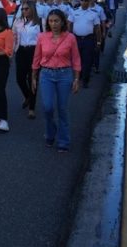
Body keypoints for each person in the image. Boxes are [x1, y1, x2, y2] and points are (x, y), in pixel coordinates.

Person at [32, 9, 81, 152]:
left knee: (62, 109)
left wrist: (77, 78)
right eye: (51, 21)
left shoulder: (70, 38)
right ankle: (50, 131)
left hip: (64, 74)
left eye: (56, 21)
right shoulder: (42, 37)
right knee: (47, 107)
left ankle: (63, 141)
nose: (53, 24)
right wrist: (34, 77)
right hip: (46, 74)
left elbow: (76, 59)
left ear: (62, 22)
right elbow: (37, 57)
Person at [13, 1, 42, 119]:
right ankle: (28, 97)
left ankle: (32, 108)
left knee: (32, 79)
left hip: (34, 51)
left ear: (32, 9)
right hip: (21, 51)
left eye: (26, 9)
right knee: (19, 78)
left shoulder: (40, 23)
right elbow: (14, 36)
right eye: (22, 9)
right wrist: (12, 51)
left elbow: (44, 38)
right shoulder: (18, 22)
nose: (24, 11)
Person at [68, 0, 100, 88]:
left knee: (87, 60)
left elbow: (97, 28)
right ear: (80, 1)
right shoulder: (74, 12)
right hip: (76, 39)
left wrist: (98, 41)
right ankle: (79, 76)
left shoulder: (93, 14)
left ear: (89, 2)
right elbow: (69, 24)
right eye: (82, 0)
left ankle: (85, 80)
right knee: (77, 59)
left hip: (88, 39)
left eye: (86, 1)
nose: (84, 2)